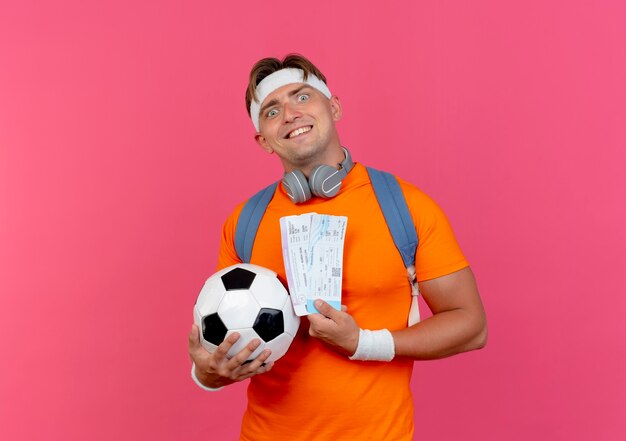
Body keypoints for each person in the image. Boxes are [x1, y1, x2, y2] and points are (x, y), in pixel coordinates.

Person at [188, 53, 487, 441]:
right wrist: (208, 372)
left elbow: (471, 326)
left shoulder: (406, 207)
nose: (290, 114)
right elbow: (225, 349)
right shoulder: (243, 223)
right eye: (272, 110)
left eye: (301, 97)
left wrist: (364, 343)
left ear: (334, 106)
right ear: (263, 140)